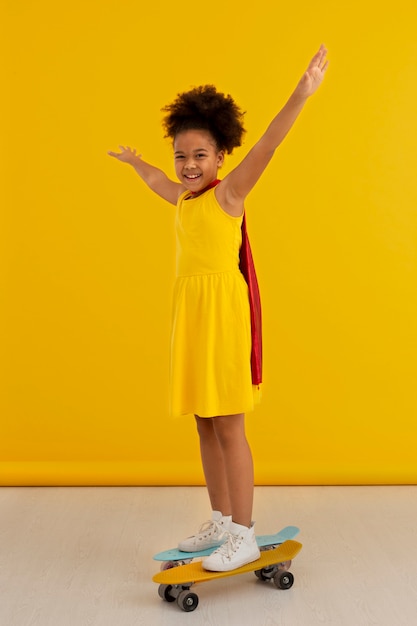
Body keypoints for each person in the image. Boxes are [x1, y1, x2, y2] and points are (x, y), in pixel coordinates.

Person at [108, 45, 328, 572]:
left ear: (221, 157)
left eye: (199, 155)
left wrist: (300, 94)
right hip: (193, 319)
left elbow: (269, 146)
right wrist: (138, 161)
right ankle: (222, 520)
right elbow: (158, 182)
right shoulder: (184, 199)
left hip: (224, 319)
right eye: (181, 155)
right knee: (204, 421)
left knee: (229, 424)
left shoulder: (229, 195)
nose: (187, 166)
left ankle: (246, 535)